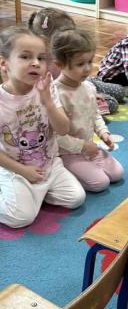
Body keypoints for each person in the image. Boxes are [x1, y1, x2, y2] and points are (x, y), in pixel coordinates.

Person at [0, 26, 85, 228]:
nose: (36, 63)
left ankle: (35, 195)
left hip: (49, 164)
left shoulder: (47, 86)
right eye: (25, 57)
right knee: (21, 218)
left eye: (41, 58)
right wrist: (23, 171)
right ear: (4, 63)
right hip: (15, 169)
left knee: (76, 198)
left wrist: (47, 102)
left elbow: (63, 129)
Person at [52, 29, 124, 193]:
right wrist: (82, 146)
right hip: (66, 153)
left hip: (89, 147)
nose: (87, 69)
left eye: (90, 62)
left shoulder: (89, 86)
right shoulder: (56, 94)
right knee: (100, 183)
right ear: (60, 65)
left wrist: (103, 132)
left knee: (117, 173)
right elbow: (57, 137)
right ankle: (62, 174)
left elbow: (95, 114)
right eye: (80, 64)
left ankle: (87, 167)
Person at [29, 7, 127, 114]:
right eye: (67, 37)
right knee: (112, 103)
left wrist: (87, 89)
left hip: (84, 82)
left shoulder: (66, 51)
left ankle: (107, 88)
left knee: (120, 91)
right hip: (69, 94)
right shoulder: (39, 64)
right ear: (44, 39)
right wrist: (87, 97)